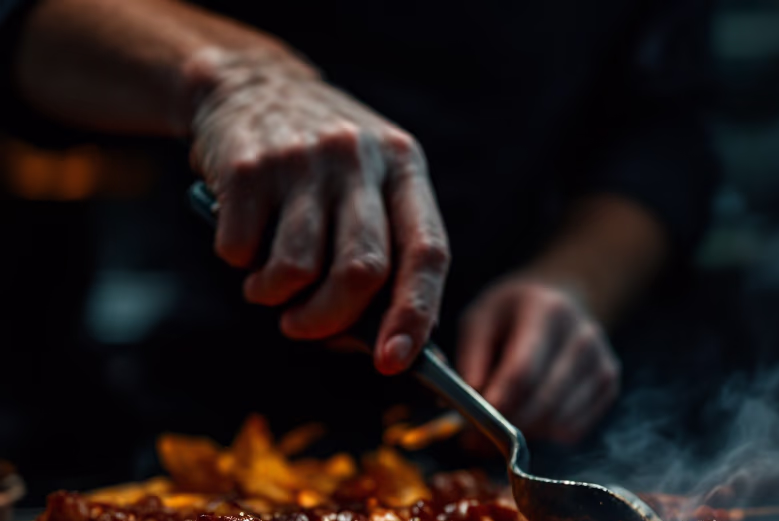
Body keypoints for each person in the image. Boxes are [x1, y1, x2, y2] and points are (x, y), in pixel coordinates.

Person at [0, 0, 715, 445]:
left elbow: (661, 126)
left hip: (512, 402)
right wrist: (240, 81)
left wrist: (579, 280)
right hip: (199, 380)